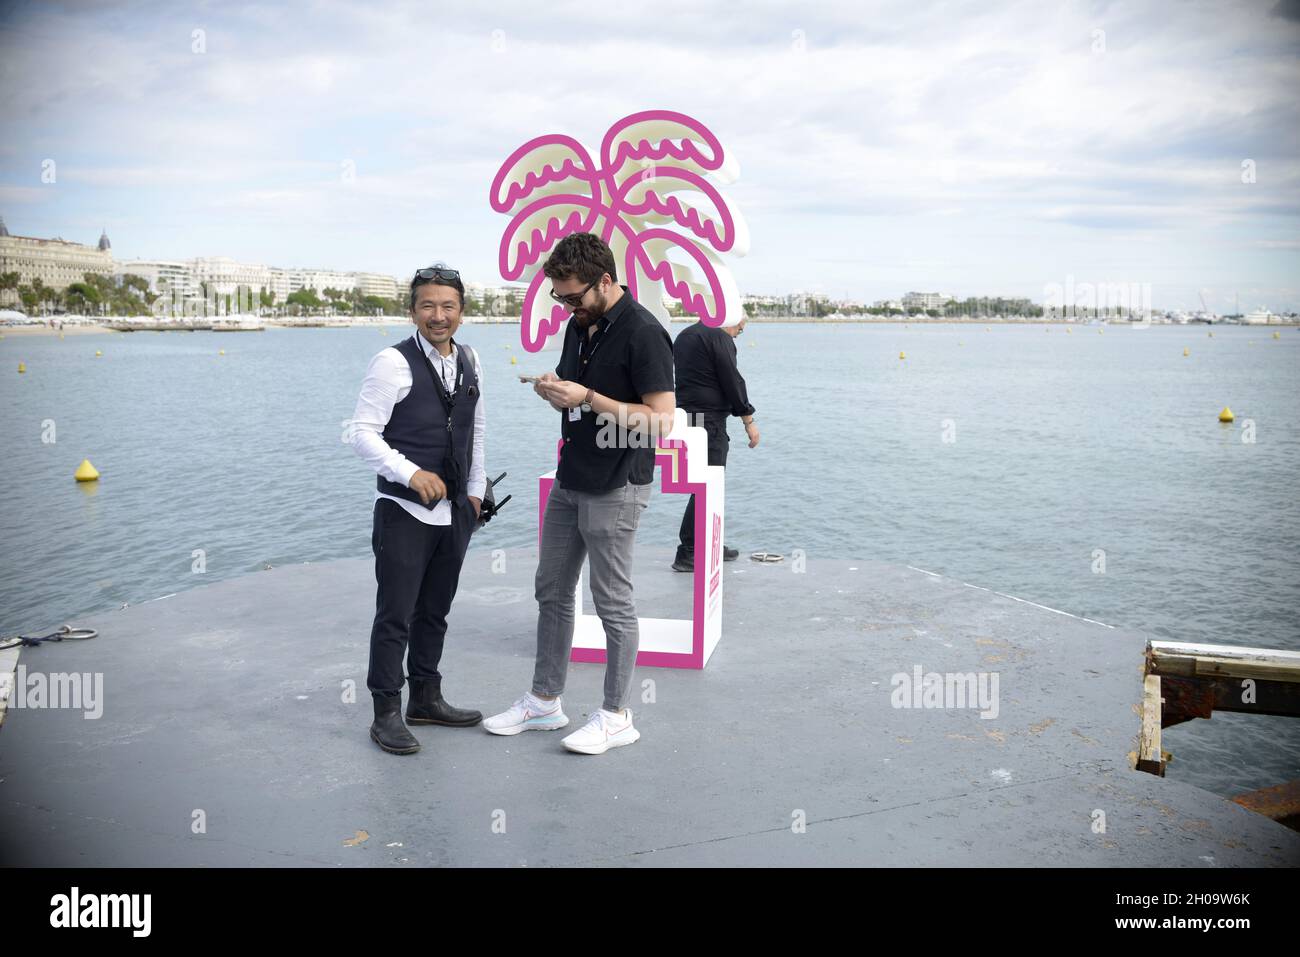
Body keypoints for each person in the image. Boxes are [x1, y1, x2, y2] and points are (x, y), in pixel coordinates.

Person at [483, 232, 675, 755]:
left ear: (605, 281)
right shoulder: (579, 325)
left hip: (619, 483)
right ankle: (545, 701)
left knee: (612, 601)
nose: (566, 306)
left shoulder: (645, 333)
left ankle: (617, 715)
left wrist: (588, 395)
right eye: (559, 297)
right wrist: (558, 393)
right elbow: (578, 403)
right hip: (572, 476)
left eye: (573, 296)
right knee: (551, 589)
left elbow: (662, 424)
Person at [348, 264, 486, 755]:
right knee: (395, 614)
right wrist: (410, 473)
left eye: (448, 306)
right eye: (427, 305)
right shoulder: (392, 362)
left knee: (436, 611)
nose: (438, 315)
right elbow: (361, 432)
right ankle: (386, 710)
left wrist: (474, 490)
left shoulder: (470, 359)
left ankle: (425, 698)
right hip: (402, 511)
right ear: (412, 311)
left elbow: (476, 431)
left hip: (456, 513)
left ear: (462, 313)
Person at [671, 315, 758, 572]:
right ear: (731, 319)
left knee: (704, 484)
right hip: (709, 421)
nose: (736, 336)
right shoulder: (719, 337)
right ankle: (688, 551)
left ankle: (707, 543)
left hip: (687, 416)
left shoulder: (686, 335)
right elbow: (732, 380)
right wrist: (748, 420)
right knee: (708, 485)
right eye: (739, 331)